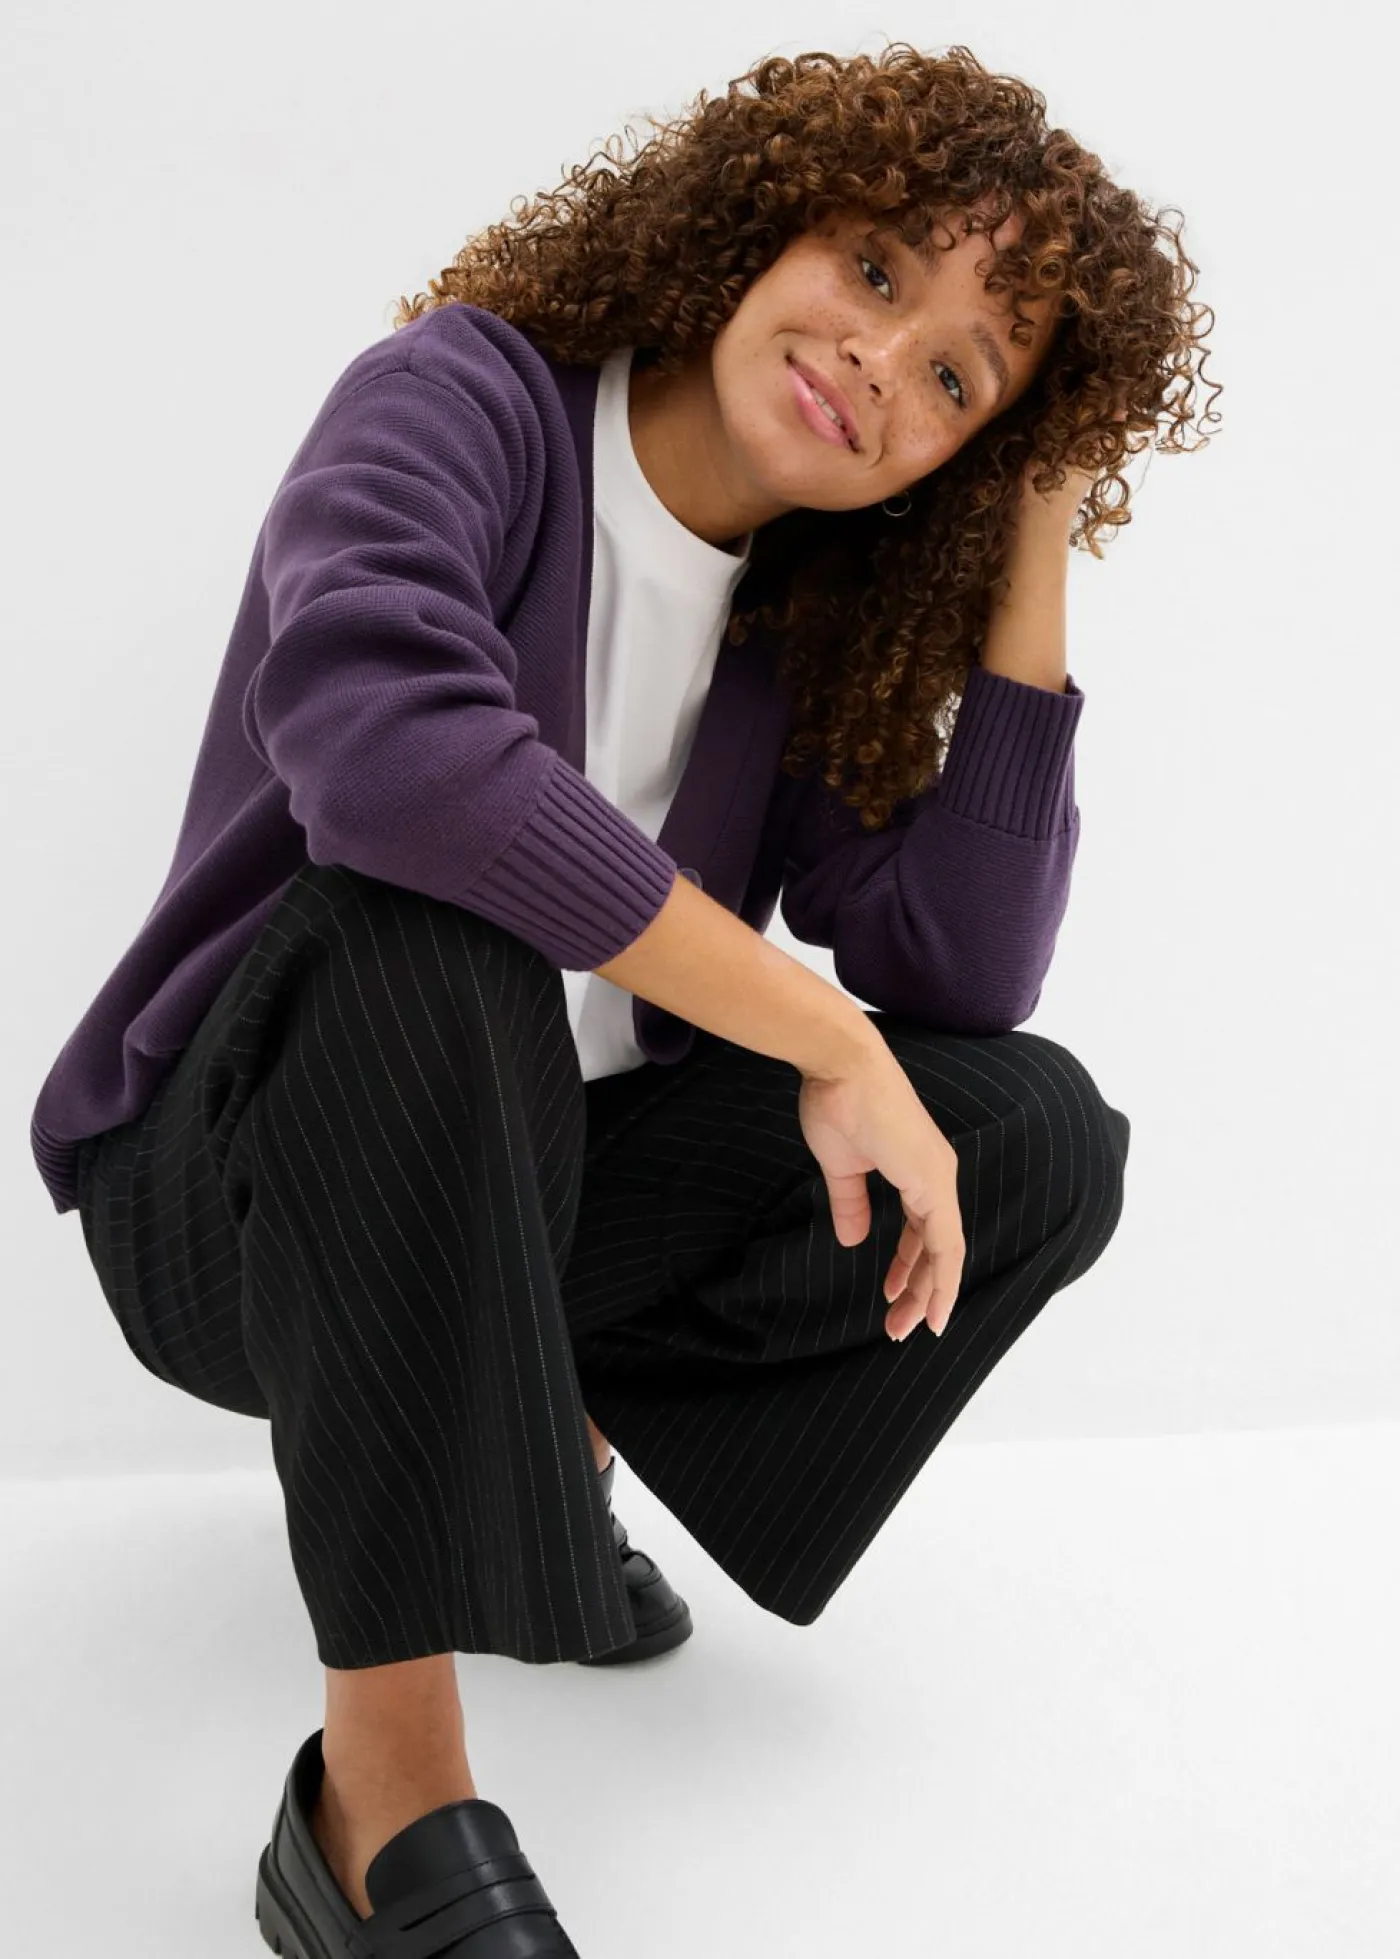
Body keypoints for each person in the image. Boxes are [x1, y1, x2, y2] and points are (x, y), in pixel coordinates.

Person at [32, 39, 1215, 1958]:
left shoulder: (800, 621)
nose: (879, 361)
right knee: (439, 936)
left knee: (1030, 1130)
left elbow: (964, 965)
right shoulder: (464, 398)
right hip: (234, 1189)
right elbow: (389, 757)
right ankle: (377, 1797)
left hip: (531, 1207)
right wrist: (817, 1033)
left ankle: (547, 1446)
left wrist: (1035, 524)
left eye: (958, 382)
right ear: (769, 212)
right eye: (879, 268)